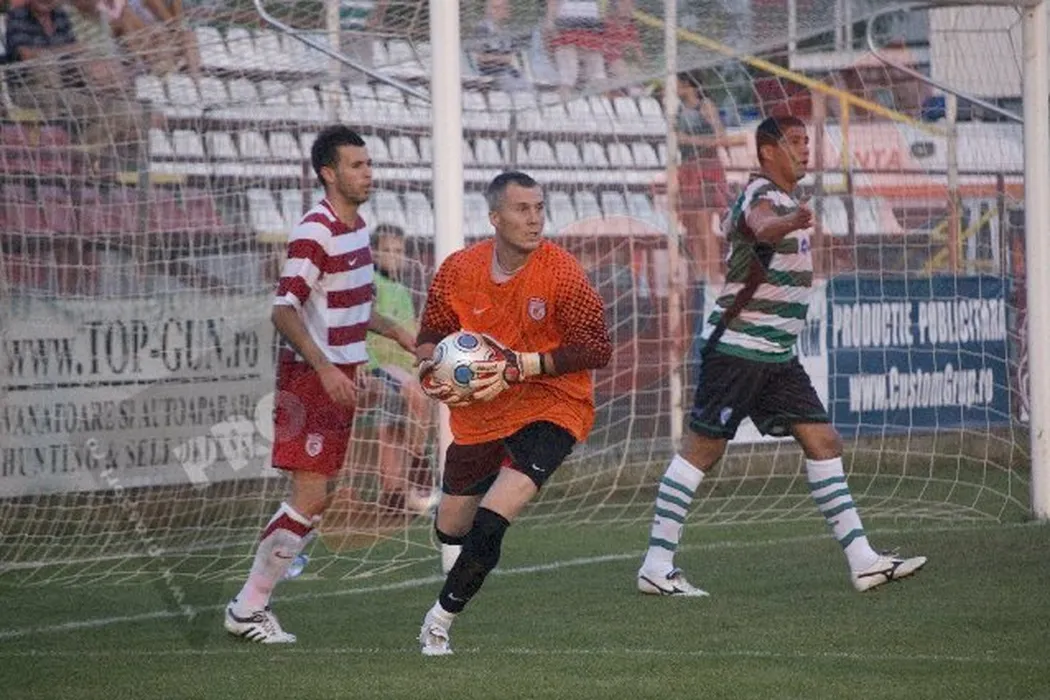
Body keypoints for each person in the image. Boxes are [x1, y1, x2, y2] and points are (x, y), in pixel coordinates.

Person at [637, 116, 927, 596]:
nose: (805, 149)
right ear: (767, 151)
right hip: (738, 348)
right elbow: (760, 226)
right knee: (703, 450)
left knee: (824, 441)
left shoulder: (788, 200)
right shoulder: (761, 195)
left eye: (807, 141)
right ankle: (656, 565)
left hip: (776, 354)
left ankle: (864, 562)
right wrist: (789, 224)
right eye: (793, 141)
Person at [223, 125, 416, 643]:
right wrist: (327, 368)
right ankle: (248, 606)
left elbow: (350, 306)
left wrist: (396, 332)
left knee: (318, 496)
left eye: (368, 164)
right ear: (329, 173)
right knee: (310, 495)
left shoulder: (358, 227)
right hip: (311, 377)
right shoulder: (316, 229)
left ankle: (272, 571)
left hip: (339, 374)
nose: (368, 173)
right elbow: (283, 309)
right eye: (356, 165)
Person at [412, 171, 612, 655]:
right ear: (495, 218)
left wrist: (525, 365)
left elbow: (597, 348)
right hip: (480, 415)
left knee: (493, 519)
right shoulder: (460, 269)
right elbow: (431, 332)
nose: (535, 219)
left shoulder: (561, 271)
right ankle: (461, 564)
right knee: (451, 527)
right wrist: (428, 366)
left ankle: (438, 623)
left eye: (540, 208)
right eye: (523, 209)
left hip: (553, 405)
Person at [4, 0, 144, 170]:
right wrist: (67, 51)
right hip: (29, 90)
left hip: (67, 90)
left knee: (127, 112)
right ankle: (63, 158)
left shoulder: (60, 16)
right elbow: (27, 56)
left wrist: (97, 74)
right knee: (47, 71)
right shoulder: (18, 16)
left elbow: (76, 56)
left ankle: (75, 155)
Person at [363, 223, 437, 514]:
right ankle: (419, 462)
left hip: (399, 367)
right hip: (376, 364)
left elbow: (410, 331)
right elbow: (363, 317)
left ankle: (393, 494)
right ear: (373, 253)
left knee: (391, 427)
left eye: (399, 251)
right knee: (417, 394)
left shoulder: (402, 291)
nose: (394, 256)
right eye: (387, 250)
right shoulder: (370, 281)